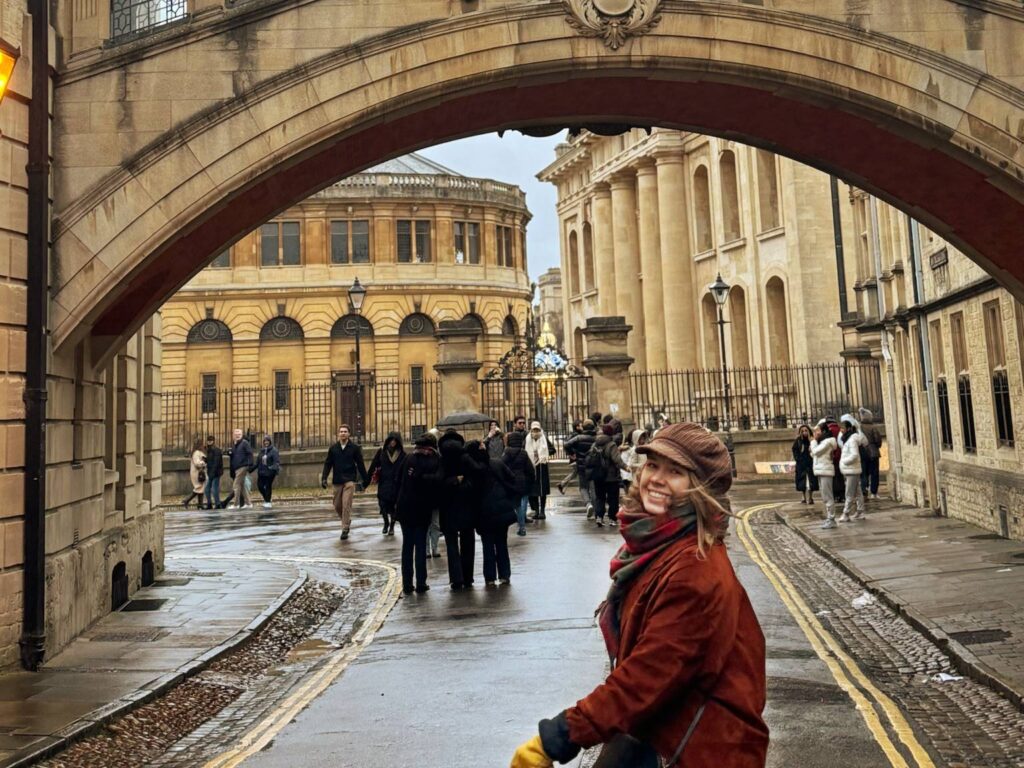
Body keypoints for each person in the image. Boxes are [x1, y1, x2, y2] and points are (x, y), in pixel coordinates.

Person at [509, 422, 769, 768]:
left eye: (676, 471)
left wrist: (557, 737)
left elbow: (647, 677)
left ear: (701, 488)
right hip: (666, 737)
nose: (656, 478)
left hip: (700, 750)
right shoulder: (659, 546)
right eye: (652, 465)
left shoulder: (693, 570)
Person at [395, 433, 443, 593]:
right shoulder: (433, 460)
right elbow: (436, 481)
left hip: (405, 507)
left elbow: (399, 479)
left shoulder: (408, 458)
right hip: (422, 508)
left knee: (407, 546)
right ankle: (421, 582)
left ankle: (407, 584)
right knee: (420, 546)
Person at [467, 439, 517, 586]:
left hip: (484, 513)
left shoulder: (474, 470)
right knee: (502, 543)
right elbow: (512, 479)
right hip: (501, 510)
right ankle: (505, 574)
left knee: (487, 545)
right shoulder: (497, 463)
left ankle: (489, 577)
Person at [438, 430, 477, 589]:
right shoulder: (466, 458)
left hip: (447, 506)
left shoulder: (441, 460)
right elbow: (475, 477)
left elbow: (438, 482)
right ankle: (468, 577)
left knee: (451, 544)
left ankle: (456, 578)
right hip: (467, 504)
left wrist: (452, 481)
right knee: (468, 542)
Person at [320, 425, 369, 541]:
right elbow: (328, 464)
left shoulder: (354, 448)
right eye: (341, 431)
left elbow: (360, 464)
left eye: (345, 432)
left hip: (349, 480)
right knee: (337, 505)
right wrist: (324, 478)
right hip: (337, 481)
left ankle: (345, 528)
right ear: (338, 434)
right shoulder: (333, 448)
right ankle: (346, 520)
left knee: (346, 504)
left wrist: (366, 479)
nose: (343, 433)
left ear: (349, 434)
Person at [588, 425, 627, 528]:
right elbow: (617, 460)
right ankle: (612, 519)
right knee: (613, 498)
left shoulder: (595, 443)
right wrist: (626, 467)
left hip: (598, 476)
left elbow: (590, 456)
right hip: (611, 477)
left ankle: (599, 517)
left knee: (599, 498)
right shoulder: (611, 444)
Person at [367, 432, 406, 535]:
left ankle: (392, 527)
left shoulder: (402, 454)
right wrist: (367, 479)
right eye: (391, 440)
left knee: (393, 506)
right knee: (382, 505)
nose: (393, 442)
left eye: (395, 440)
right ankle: (386, 522)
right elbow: (374, 465)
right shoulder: (382, 452)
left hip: (396, 483)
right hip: (384, 482)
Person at [503, 430, 535, 537]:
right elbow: (530, 469)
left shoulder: (507, 452)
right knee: (519, 506)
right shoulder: (523, 453)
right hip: (521, 481)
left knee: (511, 505)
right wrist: (530, 480)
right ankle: (522, 527)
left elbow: (502, 465)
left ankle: (511, 526)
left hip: (510, 481)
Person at [564, 419, 597, 517]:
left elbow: (566, 445)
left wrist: (572, 453)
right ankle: (596, 510)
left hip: (581, 465)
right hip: (594, 465)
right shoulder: (597, 438)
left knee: (583, 487)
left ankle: (588, 504)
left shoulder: (579, 438)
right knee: (593, 487)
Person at [837, 414, 867, 523]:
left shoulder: (852, 439)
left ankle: (846, 513)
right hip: (851, 469)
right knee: (857, 492)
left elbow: (854, 455)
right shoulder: (848, 439)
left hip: (852, 470)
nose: (841, 430)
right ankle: (860, 511)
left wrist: (845, 462)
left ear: (848, 428)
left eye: (843, 428)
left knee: (849, 493)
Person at [811, 424, 838, 529]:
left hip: (826, 470)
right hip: (821, 470)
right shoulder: (823, 442)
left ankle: (831, 519)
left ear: (823, 431)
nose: (816, 433)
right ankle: (829, 518)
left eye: (817, 431)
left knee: (828, 496)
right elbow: (814, 455)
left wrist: (813, 441)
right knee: (825, 496)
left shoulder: (827, 442)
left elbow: (815, 452)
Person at [526, 422, 551, 521]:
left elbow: (552, 449)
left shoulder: (544, 439)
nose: (536, 432)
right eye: (534, 430)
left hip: (542, 466)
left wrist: (542, 454)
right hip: (531, 466)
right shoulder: (527, 439)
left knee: (542, 490)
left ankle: (542, 511)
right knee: (533, 490)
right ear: (531, 430)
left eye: (537, 430)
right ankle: (536, 510)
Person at [426, 427, 444, 557]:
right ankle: (427, 549)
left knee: (436, 524)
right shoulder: (420, 456)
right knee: (427, 524)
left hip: (435, 495)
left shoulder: (439, 456)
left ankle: (435, 547)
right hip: (426, 495)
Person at [859, 410, 884, 499]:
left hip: (862, 452)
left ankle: (864, 491)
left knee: (864, 473)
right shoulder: (874, 427)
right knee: (874, 473)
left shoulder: (859, 428)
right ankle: (874, 492)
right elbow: (878, 440)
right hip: (873, 453)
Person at [228, 428, 254, 509]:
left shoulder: (244, 443)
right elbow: (236, 455)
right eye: (236, 434)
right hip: (238, 467)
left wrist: (249, 464)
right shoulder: (236, 444)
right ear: (233, 435)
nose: (237, 435)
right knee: (242, 486)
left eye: (239, 434)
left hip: (243, 466)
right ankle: (249, 503)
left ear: (242, 435)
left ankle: (236, 504)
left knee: (236, 485)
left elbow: (250, 453)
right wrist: (230, 453)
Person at [791, 425, 817, 505]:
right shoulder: (798, 441)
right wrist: (798, 458)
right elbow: (794, 450)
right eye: (803, 431)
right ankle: (803, 496)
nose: (804, 432)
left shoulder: (812, 440)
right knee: (802, 481)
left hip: (810, 463)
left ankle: (810, 497)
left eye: (806, 431)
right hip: (801, 464)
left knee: (810, 481)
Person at [556, 421, 583, 495]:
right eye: (580, 426)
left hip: (576, 458)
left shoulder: (574, 434)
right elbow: (567, 446)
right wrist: (572, 454)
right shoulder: (576, 435)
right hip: (576, 458)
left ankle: (562, 484)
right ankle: (583, 489)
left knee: (575, 473)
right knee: (579, 473)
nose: (582, 427)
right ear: (577, 427)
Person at [256, 435, 281, 509]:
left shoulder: (274, 450)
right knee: (260, 486)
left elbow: (276, 461)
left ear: (270, 442)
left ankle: (268, 502)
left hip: (270, 472)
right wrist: (251, 468)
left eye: (267, 441)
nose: (266, 442)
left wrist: (272, 468)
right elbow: (258, 461)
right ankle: (267, 498)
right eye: (265, 441)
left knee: (268, 486)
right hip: (261, 472)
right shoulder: (262, 451)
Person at [183, 438, 207, 509]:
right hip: (197, 473)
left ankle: (200, 505)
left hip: (199, 472)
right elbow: (197, 463)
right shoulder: (196, 453)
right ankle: (186, 500)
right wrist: (204, 462)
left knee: (201, 488)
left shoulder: (198, 452)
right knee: (199, 488)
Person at [203, 435, 223, 510]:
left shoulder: (216, 450)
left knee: (214, 489)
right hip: (211, 472)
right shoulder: (209, 450)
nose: (209, 442)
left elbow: (216, 462)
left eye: (210, 441)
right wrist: (205, 459)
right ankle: (209, 504)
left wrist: (212, 473)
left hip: (216, 473)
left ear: (213, 441)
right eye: (208, 441)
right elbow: (210, 461)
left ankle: (217, 504)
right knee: (207, 489)